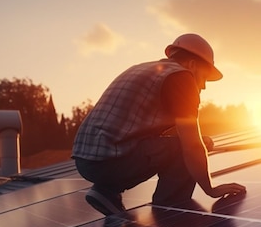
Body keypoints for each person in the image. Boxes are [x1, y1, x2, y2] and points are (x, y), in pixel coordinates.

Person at [72, 33, 246, 216]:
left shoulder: (145, 69)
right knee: (189, 147)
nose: (203, 86)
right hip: (110, 161)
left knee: (176, 143)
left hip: (87, 161)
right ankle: (170, 212)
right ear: (193, 65)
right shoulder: (182, 77)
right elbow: (192, 145)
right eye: (204, 77)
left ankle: (106, 192)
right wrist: (210, 189)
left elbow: (138, 127)